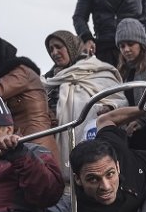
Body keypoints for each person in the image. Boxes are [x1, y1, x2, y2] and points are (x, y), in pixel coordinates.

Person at [41, 30, 126, 181]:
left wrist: (110, 107)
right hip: (59, 141)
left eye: (58, 47)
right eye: (50, 49)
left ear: (71, 46)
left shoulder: (98, 70)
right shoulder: (51, 80)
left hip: (94, 141)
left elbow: (119, 99)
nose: (54, 52)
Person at [114, 18, 146, 150]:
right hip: (133, 137)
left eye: (130, 44)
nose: (126, 49)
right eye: (122, 46)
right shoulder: (123, 72)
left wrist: (141, 121)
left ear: (141, 43)